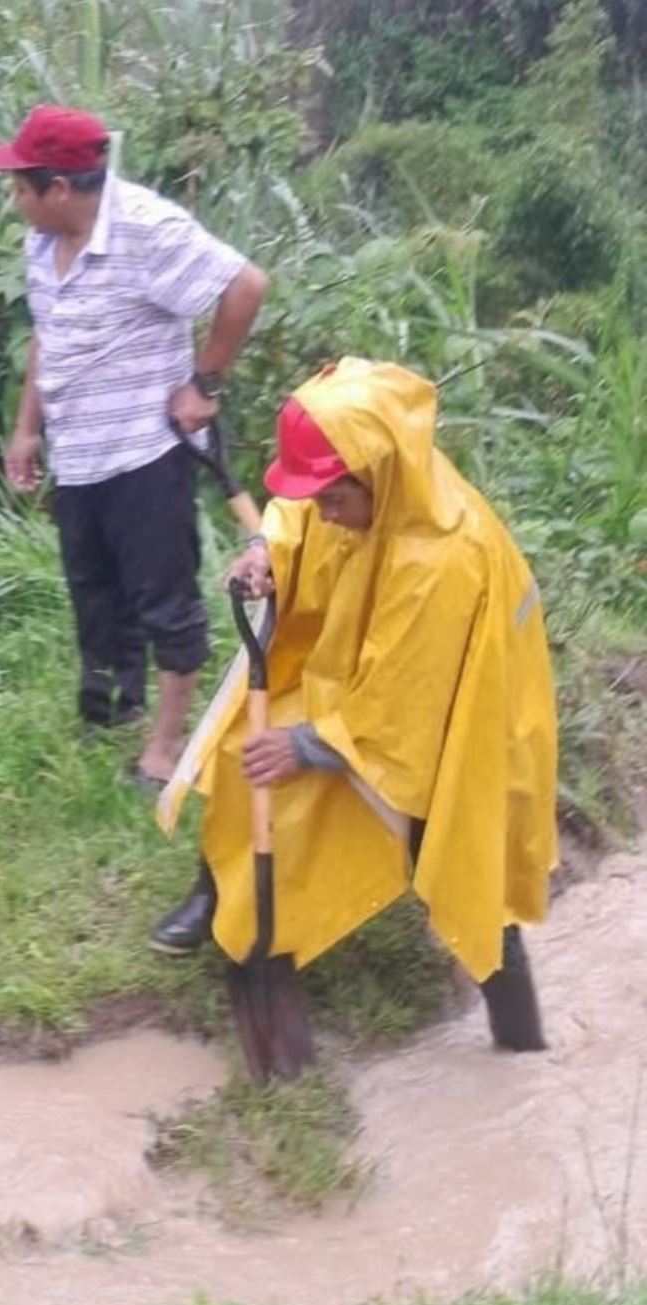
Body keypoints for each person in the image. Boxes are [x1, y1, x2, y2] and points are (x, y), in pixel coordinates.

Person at [152, 358, 555, 1057]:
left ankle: (521, 1050)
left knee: (467, 871)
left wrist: (306, 745)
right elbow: (299, 515)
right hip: (364, 689)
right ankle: (219, 893)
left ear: (378, 474)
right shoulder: (370, 484)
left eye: (334, 500)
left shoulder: (442, 557)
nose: (325, 514)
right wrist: (267, 552)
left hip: (466, 723)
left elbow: (407, 709)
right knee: (235, 750)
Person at [0, 106, 268, 781]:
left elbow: (245, 286)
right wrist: (28, 427)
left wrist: (206, 383)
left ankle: (163, 751)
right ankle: (113, 713)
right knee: (95, 592)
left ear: (58, 189)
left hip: (145, 453)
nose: (11, 197)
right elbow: (49, 337)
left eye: (20, 184)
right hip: (78, 456)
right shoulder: (40, 245)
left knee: (163, 598)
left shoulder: (146, 228)